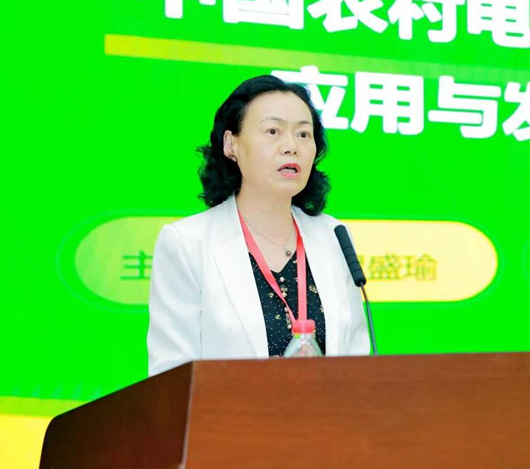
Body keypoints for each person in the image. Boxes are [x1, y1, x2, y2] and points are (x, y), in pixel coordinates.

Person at [147, 75, 370, 376]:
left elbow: (358, 365)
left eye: (303, 134)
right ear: (231, 144)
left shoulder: (333, 237)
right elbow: (171, 377)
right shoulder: (187, 243)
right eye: (273, 131)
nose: (291, 146)